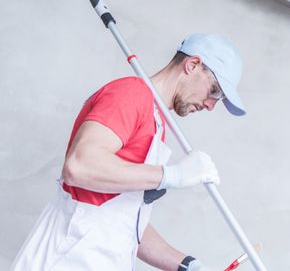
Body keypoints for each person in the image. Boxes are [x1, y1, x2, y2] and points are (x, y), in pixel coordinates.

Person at [11, 33, 246, 271]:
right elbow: (80, 165)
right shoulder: (131, 94)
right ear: (193, 65)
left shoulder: (157, 124)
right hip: (68, 259)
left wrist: (187, 266)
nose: (210, 105)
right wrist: (171, 175)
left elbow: (123, 219)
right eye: (214, 91)